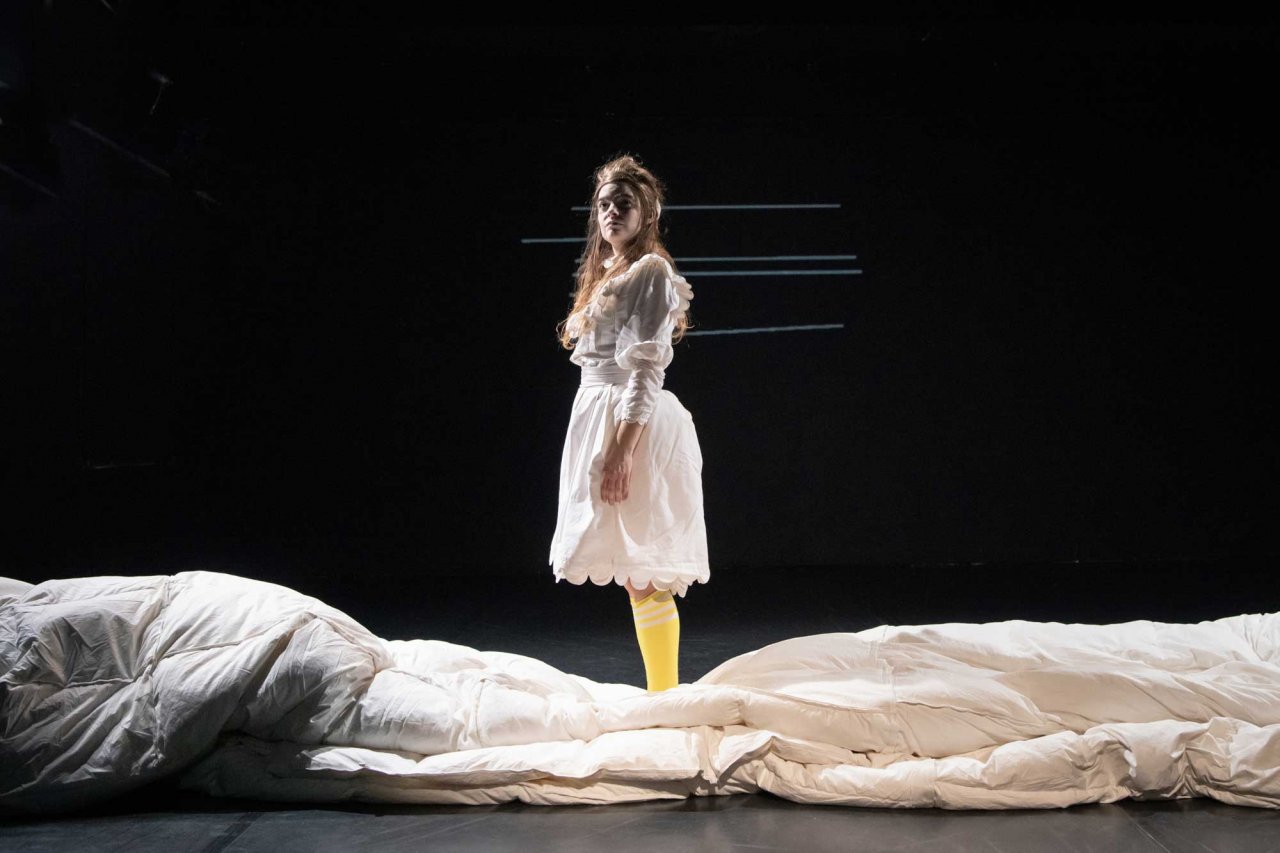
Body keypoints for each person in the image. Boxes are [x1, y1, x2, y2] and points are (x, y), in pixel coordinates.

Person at [548, 154, 710, 692]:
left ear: (648, 213)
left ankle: (664, 695)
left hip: (630, 424)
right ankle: (663, 694)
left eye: (624, 203)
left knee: (644, 568)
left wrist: (622, 450)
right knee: (635, 573)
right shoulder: (610, 274)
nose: (611, 212)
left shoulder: (650, 271)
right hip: (603, 415)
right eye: (603, 204)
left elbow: (645, 370)